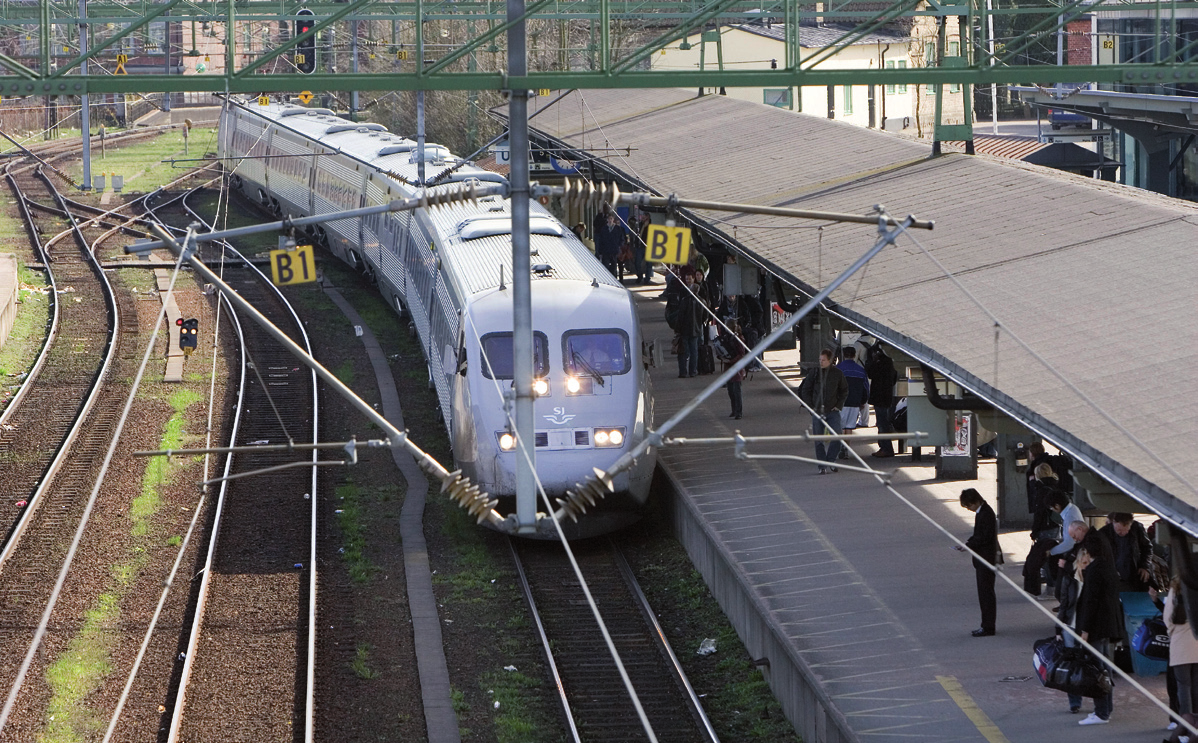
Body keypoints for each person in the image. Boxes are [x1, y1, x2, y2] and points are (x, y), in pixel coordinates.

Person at [1074, 531, 1121, 725]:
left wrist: (1084, 630)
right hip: (1108, 626)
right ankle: (1107, 709)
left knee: (1096, 671)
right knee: (1105, 670)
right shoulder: (1109, 567)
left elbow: (1090, 602)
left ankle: (1101, 712)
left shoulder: (1093, 571)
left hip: (1095, 628)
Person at [956, 488, 998, 637]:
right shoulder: (983, 512)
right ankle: (986, 625)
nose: (969, 509)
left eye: (969, 506)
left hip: (985, 559)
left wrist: (969, 545)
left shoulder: (986, 514)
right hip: (983, 558)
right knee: (985, 593)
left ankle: (988, 626)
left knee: (986, 594)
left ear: (975, 501)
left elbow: (983, 537)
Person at [797, 349, 848, 474]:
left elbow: (844, 390)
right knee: (818, 440)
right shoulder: (814, 373)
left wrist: (839, 405)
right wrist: (810, 406)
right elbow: (805, 389)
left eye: (823, 360)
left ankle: (830, 460)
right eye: (820, 360)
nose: (821, 362)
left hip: (832, 410)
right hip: (817, 411)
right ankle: (822, 465)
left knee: (837, 436)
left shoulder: (837, 374)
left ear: (830, 361)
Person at [1164, 576, 1197, 741]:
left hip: (1180, 645)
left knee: (1183, 687)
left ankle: (1185, 726)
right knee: (1196, 688)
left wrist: (1173, 633)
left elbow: (1168, 618)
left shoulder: (1175, 592)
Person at [1097, 512, 1153, 593]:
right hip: (1114, 575)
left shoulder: (1137, 528)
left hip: (1134, 574)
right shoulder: (1104, 533)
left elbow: (1147, 547)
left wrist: (1145, 566)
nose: (1122, 533)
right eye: (1118, 530)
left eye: (1126, 530)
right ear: (1113, 523)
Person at [864, 343, 898, 458]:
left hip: (880, 396)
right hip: (888, 395)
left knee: (882, 423)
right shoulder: (892, 363)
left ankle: (886, 448)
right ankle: (885, 447)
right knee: (885, 423)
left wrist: (873, 362)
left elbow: (870, 374)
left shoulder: (879, 364)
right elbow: (894, 379)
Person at [835, 346, 869, 459]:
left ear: (844, 355)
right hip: (855, 402)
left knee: (840, 426)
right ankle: (846, 449)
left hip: (841, 402)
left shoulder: (838, 369)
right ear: (854, 355)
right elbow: (865, 388)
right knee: (849, 427)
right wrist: (863, 401)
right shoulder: (860, 370)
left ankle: (839, 448)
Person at [675, 273, 704, 378]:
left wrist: (677, 329)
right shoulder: (702, 302)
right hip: (696, 330)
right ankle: (693, 371)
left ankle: (683, 372)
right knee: (694, 352)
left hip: (684, 330)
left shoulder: (684, 301)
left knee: (683, 351)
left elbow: (680, 316)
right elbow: (704, 317)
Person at [721, 321, 747, 419]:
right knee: (731, 390)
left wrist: (732, 360)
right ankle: (734, 410)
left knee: (736, 390)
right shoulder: (729, 337)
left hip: (736, 367)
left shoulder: (738, 339)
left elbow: (741, 354)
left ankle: (738, 412)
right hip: (730, 366)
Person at [593, 206, 625, 277]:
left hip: (614, 250)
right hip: (606, 251)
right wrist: (600, 251)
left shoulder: (617, 229)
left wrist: (619, 247)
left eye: (611, 219)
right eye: (609, 219)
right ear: (607, 220)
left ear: (613, 219)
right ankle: (607, 278)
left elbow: (621, 239)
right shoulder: (604, 229)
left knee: (614, 267)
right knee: (606, 266)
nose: (610, 220)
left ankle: (614, 279)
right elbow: (601, 240)